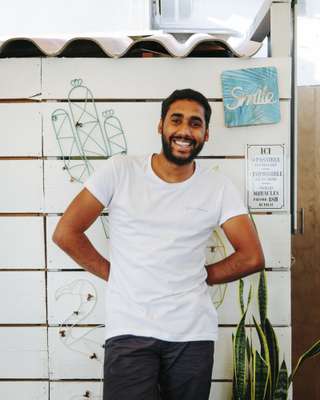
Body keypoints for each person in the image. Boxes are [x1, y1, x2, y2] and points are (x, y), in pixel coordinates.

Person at [52, 88, 265, 400]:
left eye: (195, 123)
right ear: (161, 125)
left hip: (192, 334)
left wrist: (200, 276)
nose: (184, 131)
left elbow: (251, 257)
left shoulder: (217, 186)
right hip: (130, 330)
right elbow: (66, 232)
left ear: (206, 134)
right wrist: (115, 273)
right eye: (176, 120)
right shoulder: (120, 170)